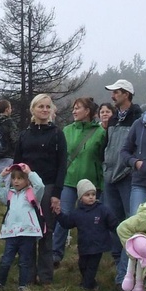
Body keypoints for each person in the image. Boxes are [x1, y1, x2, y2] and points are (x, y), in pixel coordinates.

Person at [13, 94, 67, 285]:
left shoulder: (57, 134)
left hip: (49, 187)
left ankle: (45, 277)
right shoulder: (24, 135)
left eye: (47, 107)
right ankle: (27, 275)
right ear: (33, 109)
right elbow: (17, 164)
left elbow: (62, 165)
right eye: (41, 107)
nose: (44, 110)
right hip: (26, 189)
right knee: (27, 231)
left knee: (46, 231)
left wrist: (56, 194)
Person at [52, 97, 106, 267]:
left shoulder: (101, 132)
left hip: (91, 183)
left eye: (77, 108)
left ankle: (92, 255)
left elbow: (104, 157)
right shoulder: (67, 130)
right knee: (64, 215)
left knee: (92, 220)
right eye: (73, 108)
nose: (74, 111)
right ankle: (55, 253)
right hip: (69, 180)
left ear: (87, 111)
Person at [102, 79, 143, 289]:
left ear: (127, 94)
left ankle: (127, 273)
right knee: (114, 223)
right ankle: (120, 264)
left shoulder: (139, 117)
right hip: (110, 177)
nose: (112, 96)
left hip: (127, 177)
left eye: (116, 92)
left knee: (129, 224)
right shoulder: (114, 118)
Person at [0, 163, 44, 291]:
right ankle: (0, 283)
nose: (16, 181)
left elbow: (40, 185)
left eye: (20, 178)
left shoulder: (33, 194)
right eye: (13, 178)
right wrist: (2, 175)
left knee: (25, 262)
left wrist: (30, 172)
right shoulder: (9, 195)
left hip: (27, 233)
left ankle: (23, 286)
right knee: (6, 261)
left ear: (27, 180)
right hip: (11, 234)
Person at [55, 179, 117, 291]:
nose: (91, 197)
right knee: (82, 265)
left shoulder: (102, 210)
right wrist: (59, 215)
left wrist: (120, 230)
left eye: (93, 194)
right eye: (87, 195)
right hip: (84, 246)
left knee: (92, 267)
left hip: (98, 246)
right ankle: (92, 284)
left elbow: (113, 223)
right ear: (80, 197)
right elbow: (67, 223)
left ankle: (86, 287)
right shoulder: (77, 213)